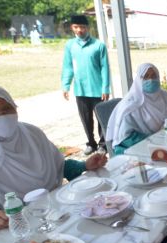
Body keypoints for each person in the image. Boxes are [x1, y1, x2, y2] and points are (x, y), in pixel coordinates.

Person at [0, 83, 107, 240]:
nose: (2, 117)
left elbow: (57, 166)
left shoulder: (31, 133)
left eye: (7, 109)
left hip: (53, 216)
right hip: (13, 230)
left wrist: (84, 165)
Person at [106, 63, 167, 155]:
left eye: (153, 76)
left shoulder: (165, 97)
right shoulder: (130, 104)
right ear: (139, 79)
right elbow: (125, 138)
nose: (151, 80)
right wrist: (154, 139)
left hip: (166, 144)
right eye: (146, 76)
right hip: (139, 149)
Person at [62, 14, 110, 155]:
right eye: (76, 27)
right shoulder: (70, 46)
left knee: (101, 118)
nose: (79, 30)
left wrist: (105, 87)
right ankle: (91, 143)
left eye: (82, 27)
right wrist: (66, 85)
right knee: (85, 119)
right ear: (72, 28)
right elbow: (68, 66)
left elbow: (104, 67)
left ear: (87, 28)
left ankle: (103, 144)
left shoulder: (98, 45)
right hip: (80, 89)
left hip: (97, 89)